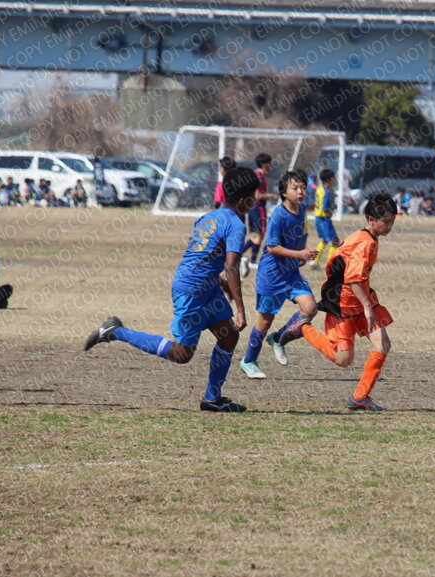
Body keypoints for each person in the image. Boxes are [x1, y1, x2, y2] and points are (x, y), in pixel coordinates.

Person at [83, 166, 260, 412]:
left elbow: (202, 256)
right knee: (182, 354)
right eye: (254, 197)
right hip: (192, 291)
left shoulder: (208, 218)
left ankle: (212, 398)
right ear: (244, 201)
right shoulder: (237, 225)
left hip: (205, 286)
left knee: (229, 336)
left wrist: (217, 282)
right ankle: (116, 331)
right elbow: (231, 268)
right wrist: (240, 309)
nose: (256, 201)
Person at [294, 193, 397, 411]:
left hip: (361, 298)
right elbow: (352, 279)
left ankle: (360, 397)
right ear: (371, 220)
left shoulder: (369, 237)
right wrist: (368, 307)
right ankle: (302, 327)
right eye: (386, 222)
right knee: (343, 359)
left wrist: (367, 304)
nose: (389, 227)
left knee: (383, 344)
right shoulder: (364, 243)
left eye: (392, 222)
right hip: (343, 302)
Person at [239, 171, 319, 378]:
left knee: (310, 308)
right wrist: (299, 254)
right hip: (272, 275)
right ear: (284, 193)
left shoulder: (302, 211)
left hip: (291, 273)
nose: (300, 192)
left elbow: (301, 236)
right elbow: (272, 247)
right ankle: (249, 361)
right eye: (295, 188)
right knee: (265, 321)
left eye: (303, 188)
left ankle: (278, 338)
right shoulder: (278, 215)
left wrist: (303, 253)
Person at [243, 153, 277, 274]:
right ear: (263, 164)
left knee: (259, 235)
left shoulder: (260, 175)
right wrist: (271, 195)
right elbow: (257, 195)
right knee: (259, 234)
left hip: (257, 207)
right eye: (269, 163)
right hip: (257, 207)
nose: (270, 166)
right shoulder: (258, 175)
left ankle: (239, 255)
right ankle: (252, 261)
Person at [308, 169, 340, 271]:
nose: (335, 180)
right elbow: (325, 207)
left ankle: (314, 261)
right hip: (324, 219)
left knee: (325, 240)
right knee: (335, 241)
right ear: (329, 180)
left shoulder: (319, 189)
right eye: (334, 178)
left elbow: (316, 203)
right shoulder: (327, 192)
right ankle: (330, 265)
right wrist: (330, 211)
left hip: (318, 218)